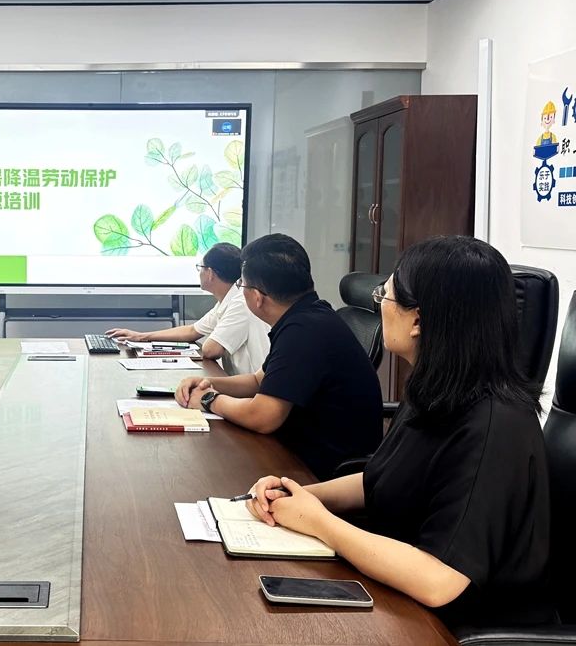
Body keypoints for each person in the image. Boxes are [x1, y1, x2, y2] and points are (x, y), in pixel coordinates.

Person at [242, 236, 552, 630]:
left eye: (383, 296)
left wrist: (319, 522)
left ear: (417, 320)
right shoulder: (436, 391)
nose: (380, 306)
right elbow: (379, 480)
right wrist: (297, 495)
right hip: (395, 595)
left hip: (450, 628)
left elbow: (440, 582)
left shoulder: (494, 426)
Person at [176, 234, 382, 480]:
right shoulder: (307, 315)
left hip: (318, 471)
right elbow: (258, 381)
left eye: (242, 285)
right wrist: (209, 383)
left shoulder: (304, 331)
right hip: (296, 450)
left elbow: (263, 416)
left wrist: (209, 399)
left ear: (257, 297)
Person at [105, 242, 270, 375]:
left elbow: (211, 350)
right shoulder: (228, 299)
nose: (199, 273)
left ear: (210, 273)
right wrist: (140, 337)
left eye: (200, 267)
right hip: (240, 385)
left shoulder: (240, 302)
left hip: (253, 392)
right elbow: (192, 330)